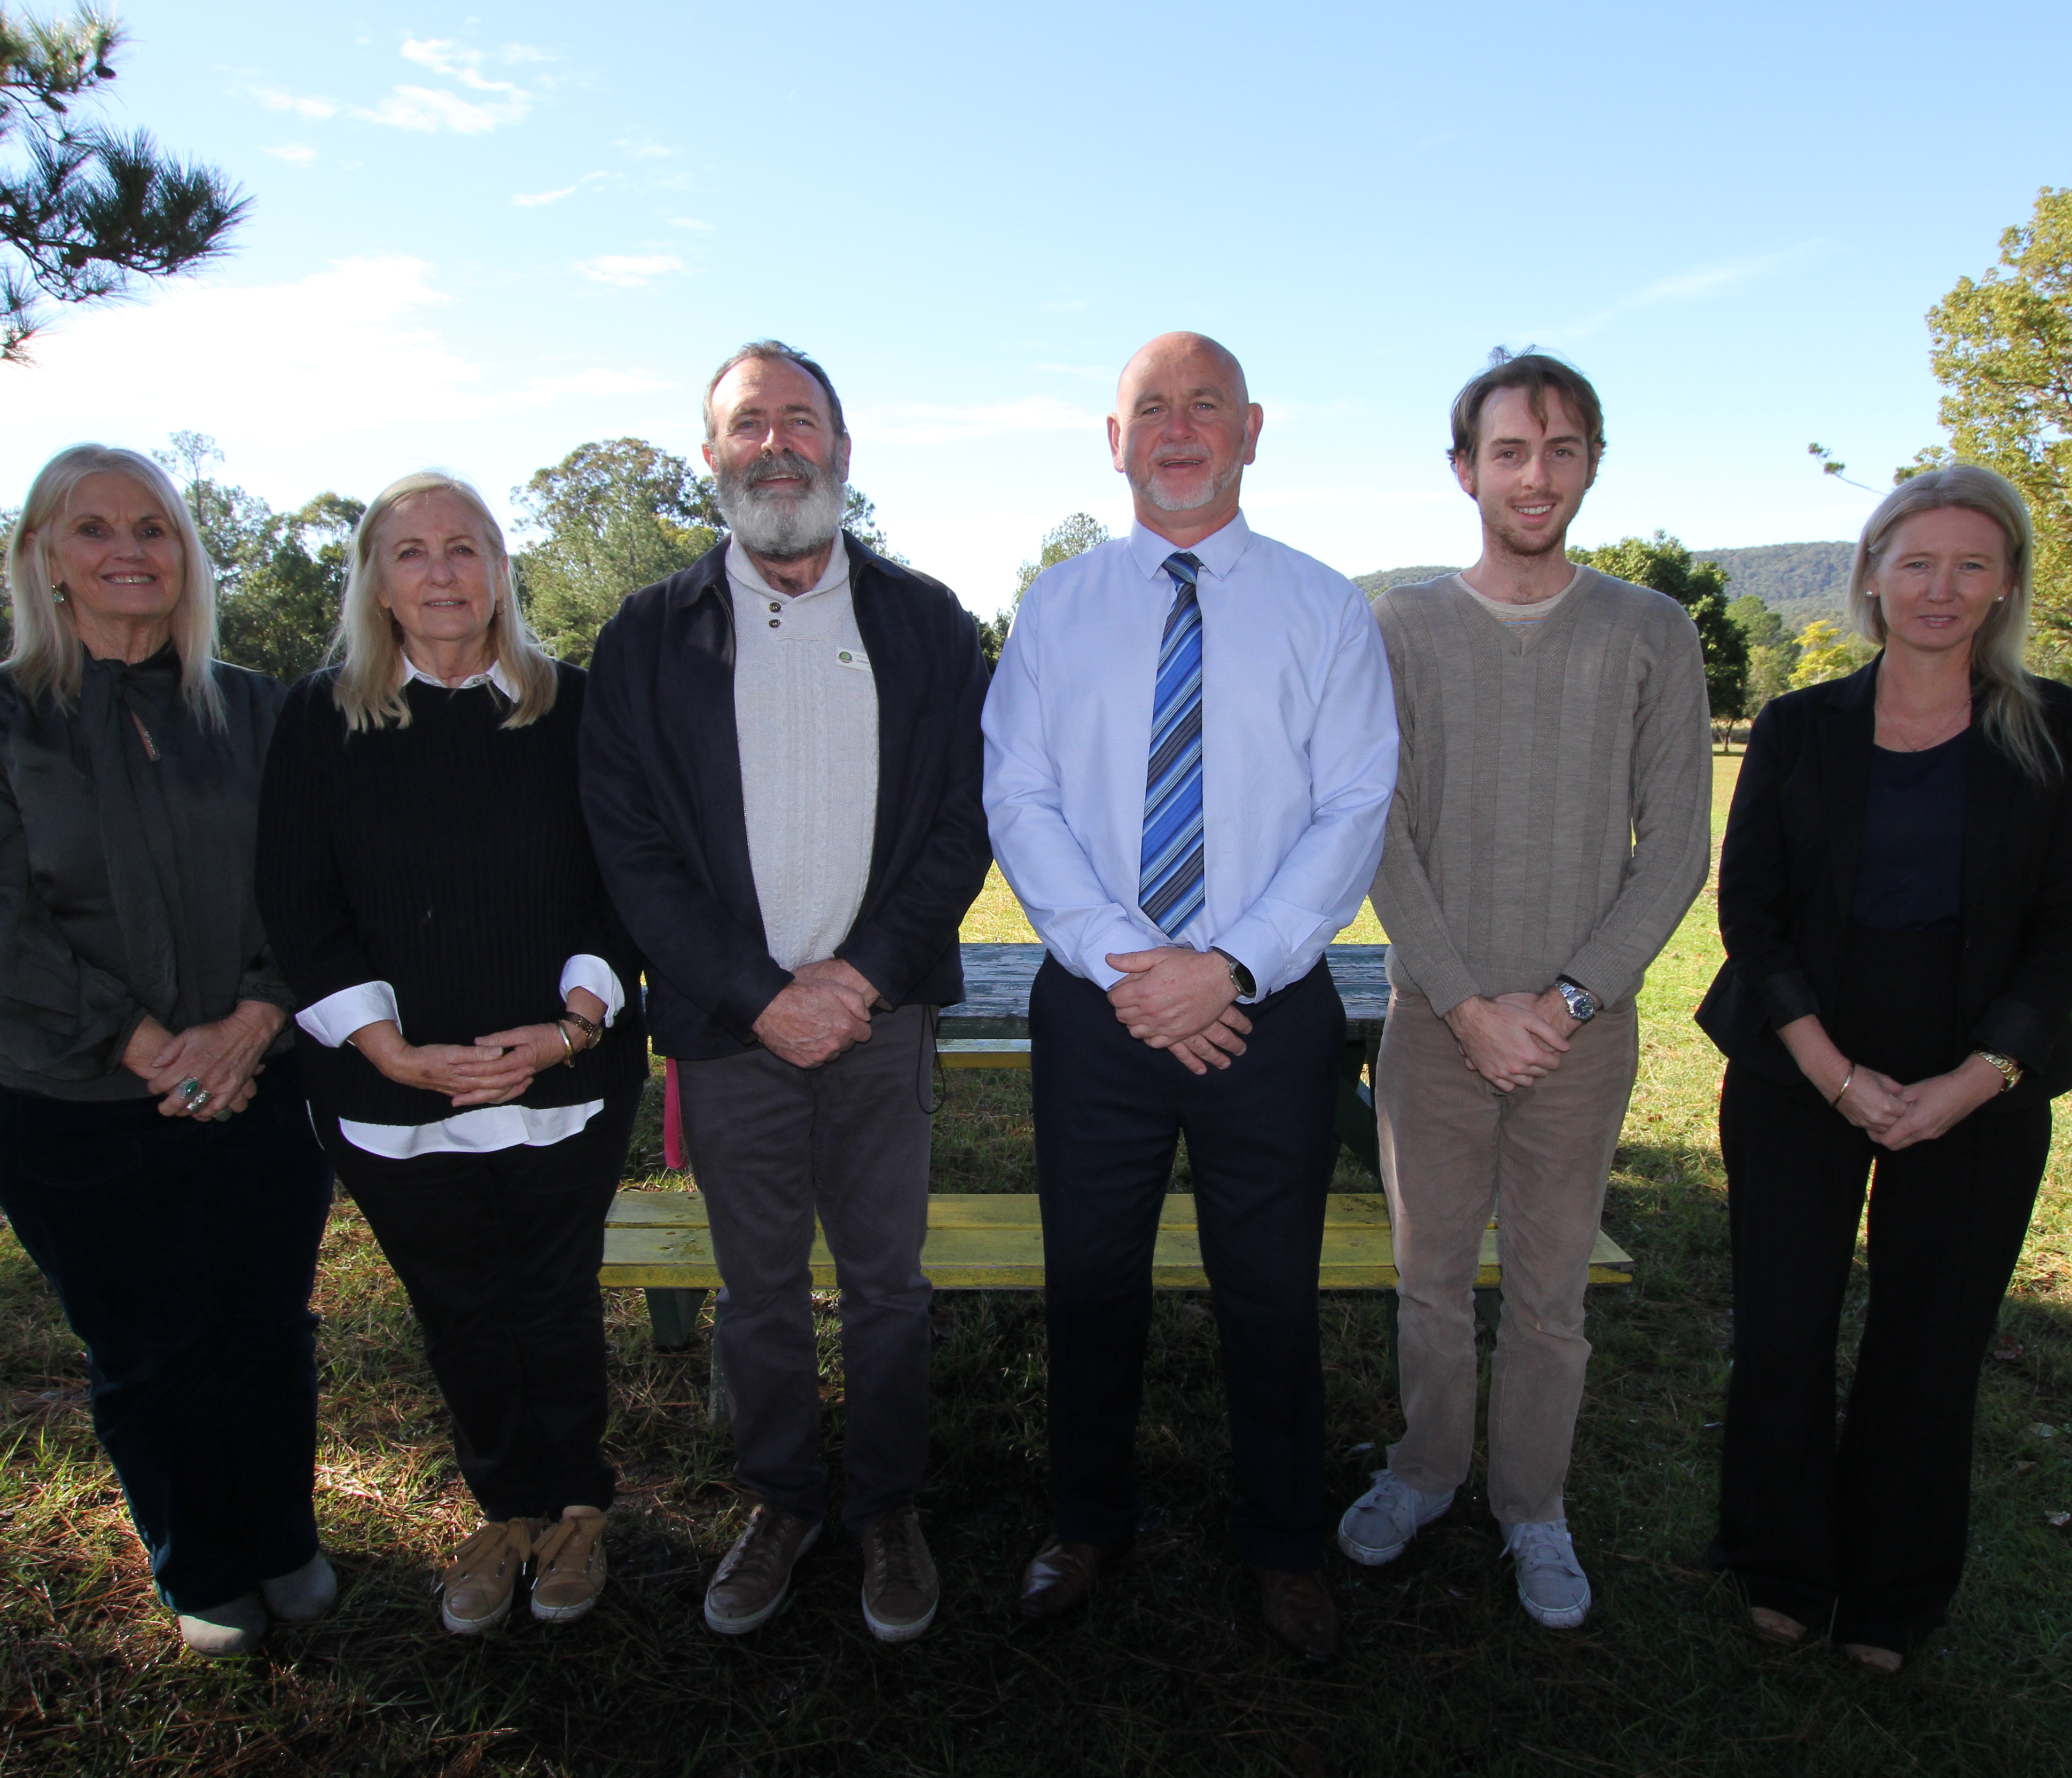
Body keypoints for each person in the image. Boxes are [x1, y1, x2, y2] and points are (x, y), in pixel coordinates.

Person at [984, 331, 1397, 1662]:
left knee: (1268, 1292)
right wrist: (1126, 959)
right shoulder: (1055, 607)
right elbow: (1020, 797)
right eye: (1149, 409)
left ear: (1253, 429)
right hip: (1096, 1008)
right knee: (1090, 1279)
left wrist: (1224, 966)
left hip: (1264, 1011)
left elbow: (1352, 808)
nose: (1177, 429)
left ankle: (1284, 1544)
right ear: (1114, 443)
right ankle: (1087, 1520)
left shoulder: (1327, 608)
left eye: (1203, 406)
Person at [580, 341, 990, 1644]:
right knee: (757, 1290)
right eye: (746, 425)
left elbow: (962, 825)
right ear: (712, 458)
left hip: (884, 1019)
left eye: (799, 421)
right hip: (729, 1026)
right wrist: (761, 995)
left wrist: (858, 977)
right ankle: (778, 1498)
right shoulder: (649, 636)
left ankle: (885, 1506)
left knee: (887, 1286)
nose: (776, 445)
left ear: (843, 452)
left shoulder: (926, 624)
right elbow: (629, 846)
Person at [1695, 464, 2072, 1673]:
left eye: (1971, 565)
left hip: (1981, 1074)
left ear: (2007, 585)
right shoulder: (1798, 725)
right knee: (1783, 1329)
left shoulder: (2057, 727)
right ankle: (1781, 1565)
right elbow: (1752, 913)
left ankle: (1893, 1594)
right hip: (1799, 1063)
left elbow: (2070, 924)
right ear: (1873, 575)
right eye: (1916, 562)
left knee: (1931, 1345)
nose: (1941, 588)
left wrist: (1979, 1077)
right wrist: (1831, 1072)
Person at [0, 444, 331, 1658]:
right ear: (46, 556)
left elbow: (311, 886)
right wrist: (148, 1046)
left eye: (153, 527)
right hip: (78, 1107)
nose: (129, 551)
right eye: (95, 528)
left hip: (261, 1089)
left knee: (265, 1326)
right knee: (150, 1346)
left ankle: (281, 1538)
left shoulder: (257, 707)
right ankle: (200, 1561)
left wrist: (254, 1021)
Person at [1343, 352, 1713, 1627]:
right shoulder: (1400, 628)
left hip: (1579, 1038)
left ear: (1592, 464)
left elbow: (1674, 848)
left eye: (1561, 451)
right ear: (1466, 471)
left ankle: (1534, 1507)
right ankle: (1426, 1470)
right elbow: (1376, 831)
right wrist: (1462, 1002)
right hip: (1434, 1027)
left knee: (1552, 1296)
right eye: (1510, 451)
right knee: (1431, 1282)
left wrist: (1565, 1003)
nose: (1535, 476)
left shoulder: (1651, 631)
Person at [255, 472, 645, 1636]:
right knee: (463, 1307)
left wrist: (572, 1026)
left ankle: (576, 1508)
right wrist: (393, 1050)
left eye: (465, 547)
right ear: (375, 579)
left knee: (554, 1298)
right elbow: (296, 900)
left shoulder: (575, 708)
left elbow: (628, 879)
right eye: (412, 551)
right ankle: (506, 1512)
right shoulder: (318, 718)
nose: (441, 573)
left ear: (500, 569)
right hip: (391, 1088)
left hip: (560, 1077)